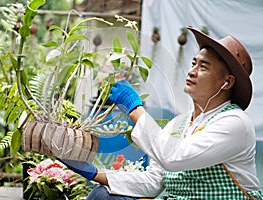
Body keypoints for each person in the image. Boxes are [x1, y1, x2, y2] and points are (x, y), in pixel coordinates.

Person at [61, 26, 262, 199]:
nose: (192, 71)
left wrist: (134, 108)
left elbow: (173, 157)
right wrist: (94, 173)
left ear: (227, 82)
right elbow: (154, 181)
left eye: (204, 67)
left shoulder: (235, 123)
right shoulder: (180, 124)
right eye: (193, 63)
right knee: (103, 195)